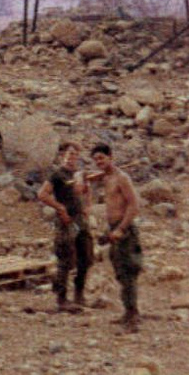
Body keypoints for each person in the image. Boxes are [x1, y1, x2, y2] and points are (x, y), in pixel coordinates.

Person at [90, 143, 143, 333]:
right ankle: (128, 312)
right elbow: (90, 175)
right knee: (120, 271)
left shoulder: (122, 178)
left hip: (125, 230)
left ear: (110, 157)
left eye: (101, 158)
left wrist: (121, 229)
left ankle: (133, 318)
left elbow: (134, 206)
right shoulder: (106, 176)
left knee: (128, 272)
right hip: (113, 228)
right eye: (95, 159)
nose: (98, 161)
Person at [37, 142, 93, 313]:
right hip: (66, 221)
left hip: (80, 220)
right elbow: (42, 194)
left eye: (75, 154)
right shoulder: (57, 174)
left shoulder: (78, 174)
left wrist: (87, 206)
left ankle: (79, 295)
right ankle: (61, 299)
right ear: (62, 156)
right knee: (65, 258)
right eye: (69, 154)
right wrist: (60, 208)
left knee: (86, 256)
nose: (71, 157)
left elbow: (85, 191)